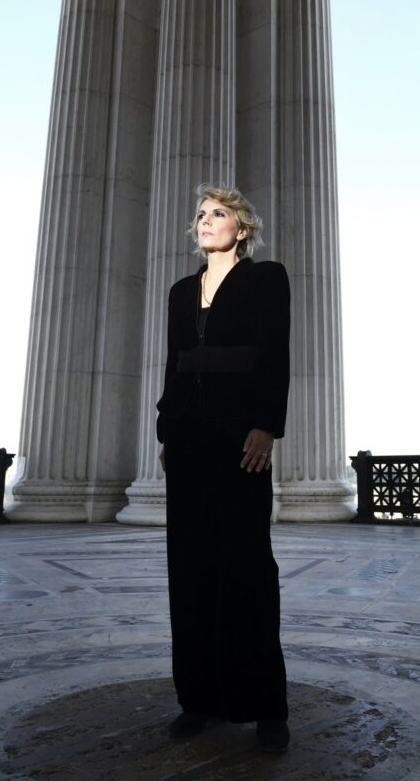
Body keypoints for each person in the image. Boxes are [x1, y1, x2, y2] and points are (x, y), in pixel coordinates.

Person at [156, 183, 291, 753]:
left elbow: (275, 352)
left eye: (218, 214)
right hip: (187, 439)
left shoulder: (267, 277)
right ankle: (199, 700)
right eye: (201, 215)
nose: (206, 221)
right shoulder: (180, 290)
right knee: (188, 567)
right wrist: (165, 427)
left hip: (241, 440)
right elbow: (174, 364)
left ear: (242, 227)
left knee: (247, 564)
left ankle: (266, 707)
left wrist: (267, 424)